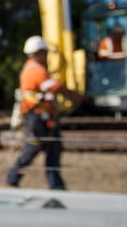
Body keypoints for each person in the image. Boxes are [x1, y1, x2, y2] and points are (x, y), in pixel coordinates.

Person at [6, 36, 83, 191]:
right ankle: (12, 177)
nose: (47, 56)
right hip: (36, 117)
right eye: (45, 52)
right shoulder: (34, 70)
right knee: (32, 149)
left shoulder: (38, 69)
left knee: (53, 150)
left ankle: (56, 186)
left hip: (45, 116)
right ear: (39, 52)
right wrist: (74, 95)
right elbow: (54, 87)